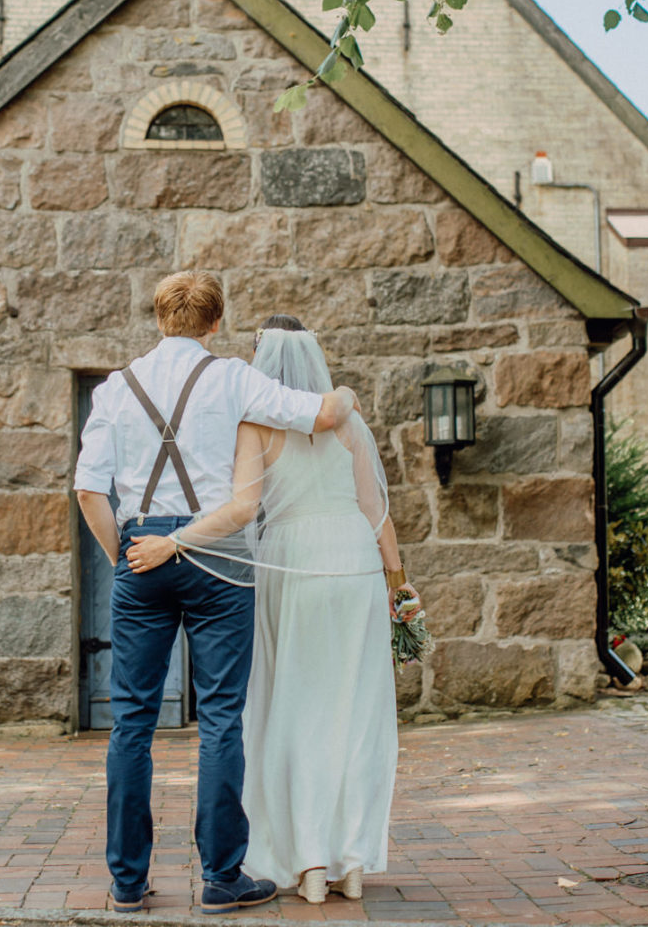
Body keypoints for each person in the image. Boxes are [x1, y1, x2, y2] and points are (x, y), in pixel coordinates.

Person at [74, 273, 360, 915]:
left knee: (131, 724)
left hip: (142, 555)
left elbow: (90, 491)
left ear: (158, 320)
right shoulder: (232, 377)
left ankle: (126, 883)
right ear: (214, 324)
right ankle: (223, 879)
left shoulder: (117, 388)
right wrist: (344, 393)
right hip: (221, 559)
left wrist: (124, 556)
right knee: (221, 720)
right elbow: (316, 415)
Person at [129, 314, 416, 905]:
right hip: (355, 563)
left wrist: (181, 540)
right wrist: (400, 582)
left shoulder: (256, 423)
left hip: (294, 562)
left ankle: (308, 860)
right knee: (354, 710)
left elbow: (243, 508)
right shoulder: (347, 419)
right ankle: (352, 860)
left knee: (295, 708)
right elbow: (375, 509)